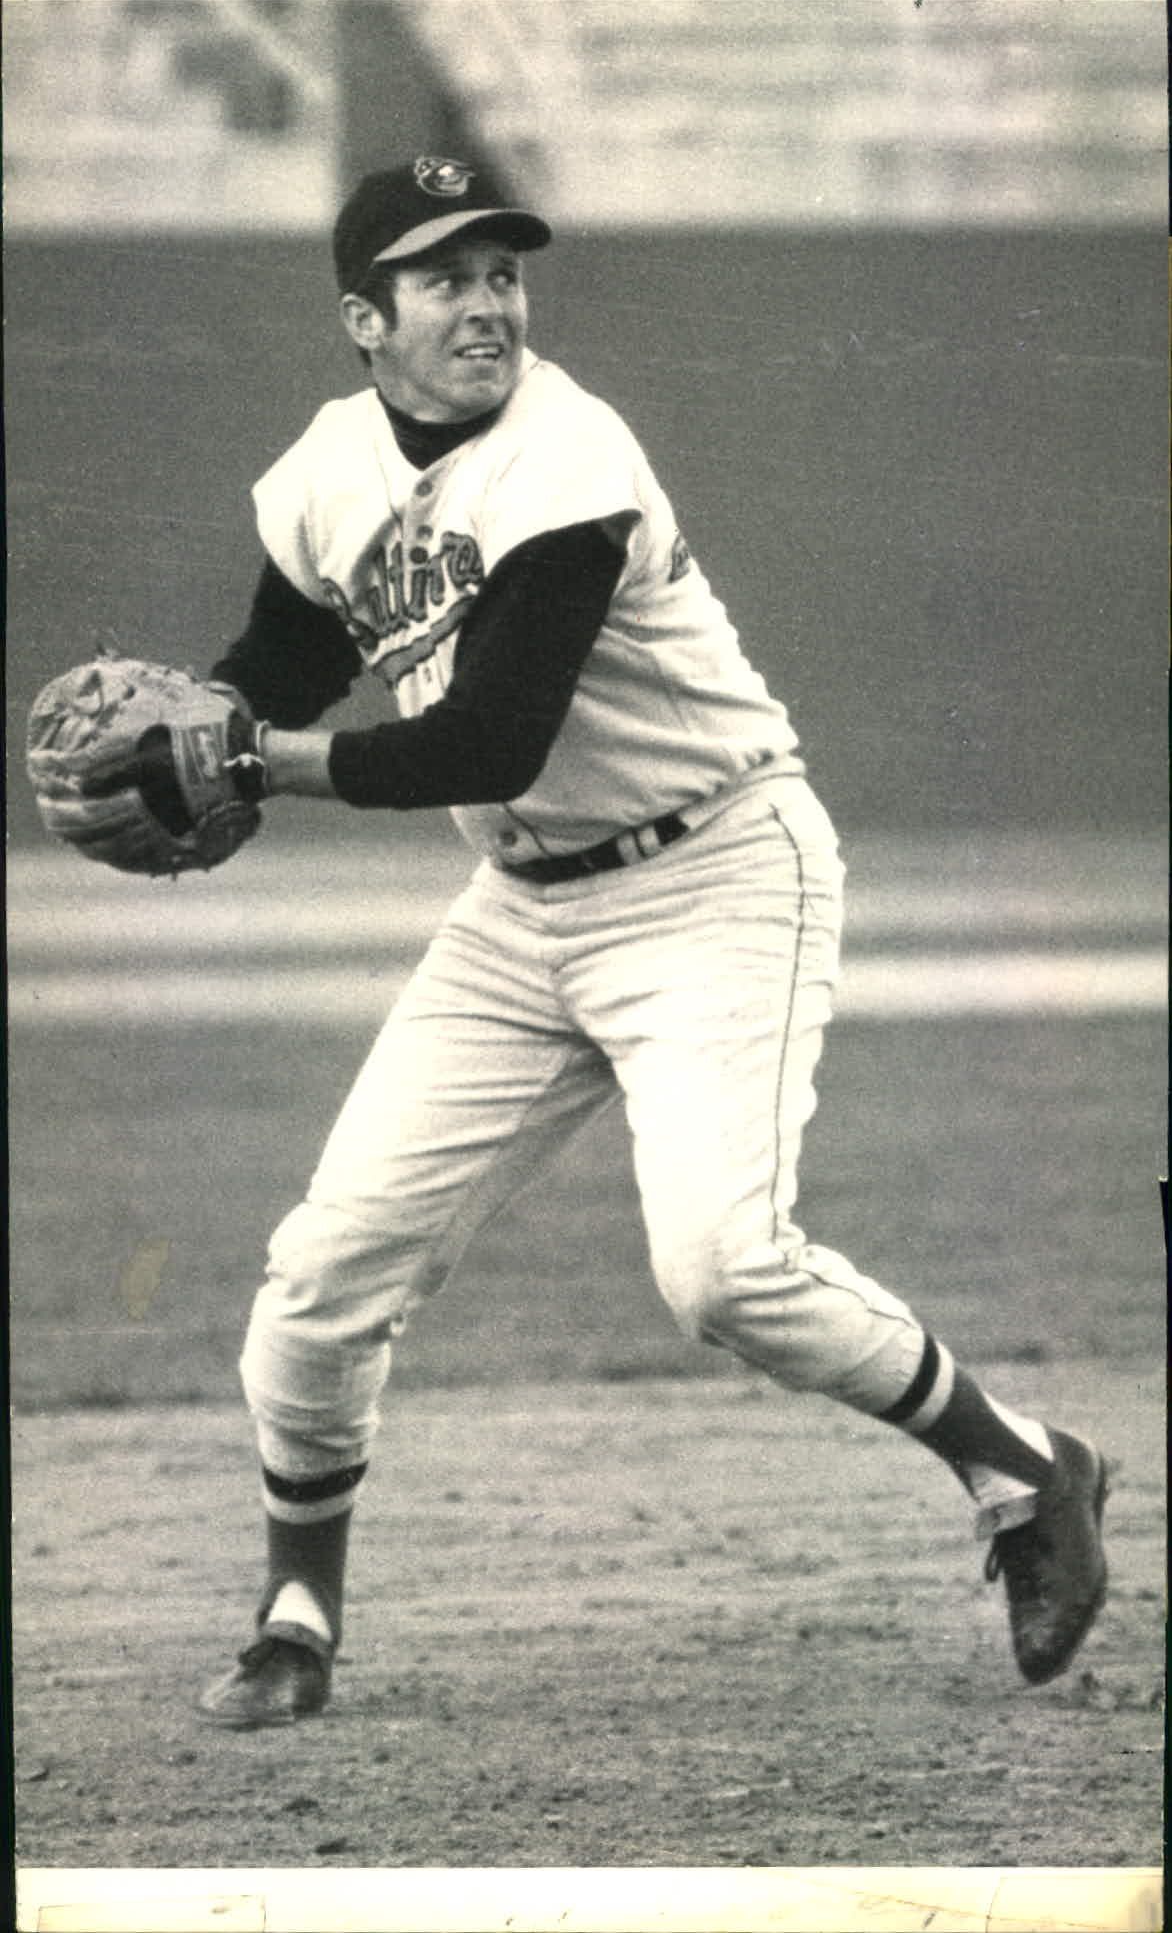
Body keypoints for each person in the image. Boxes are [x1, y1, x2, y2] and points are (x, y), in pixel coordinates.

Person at [188, 155, 1106, 1727]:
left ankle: (1030, 1472)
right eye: (443, 278)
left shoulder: (571, 456)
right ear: (366, 319)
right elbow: (272, 667)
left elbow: (484, 738)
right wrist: (191, 733)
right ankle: (296, 1613)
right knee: (322, 1275)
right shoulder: (324, 476)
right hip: (523, 912)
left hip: (719, 874)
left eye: (502, 271)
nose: (487, 302)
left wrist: (252, 768)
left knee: (726, 1270)